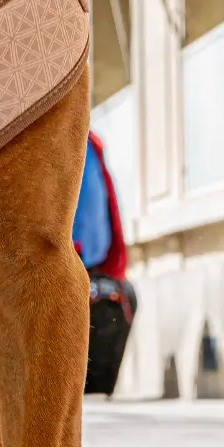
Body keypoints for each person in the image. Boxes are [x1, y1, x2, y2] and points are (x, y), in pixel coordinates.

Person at [71, 132, 136, 395]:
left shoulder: (88, 144)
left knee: (115, 299)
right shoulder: (83, 142)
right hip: (72, 262)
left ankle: (93, 390)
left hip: (88, 265)